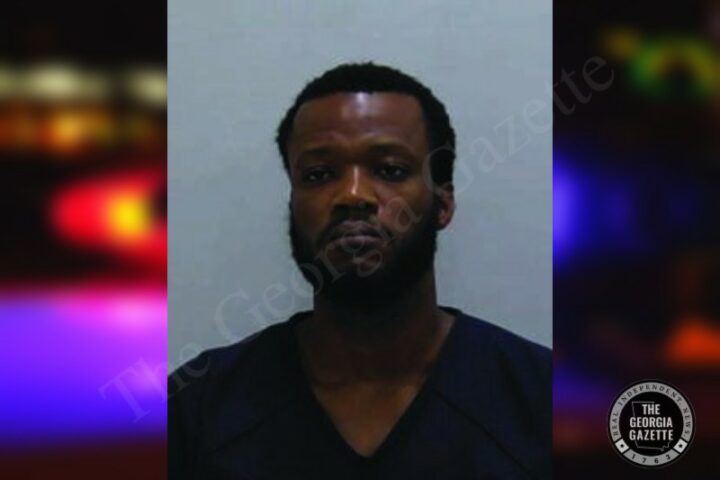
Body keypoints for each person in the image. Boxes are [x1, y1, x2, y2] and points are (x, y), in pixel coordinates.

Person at [169, 62, 551, 479]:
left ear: (442, 204)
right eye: (319, 174)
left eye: (390, 170)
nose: (352, 195)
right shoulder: (197, 408)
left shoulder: (541, 398)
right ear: (293, 205)